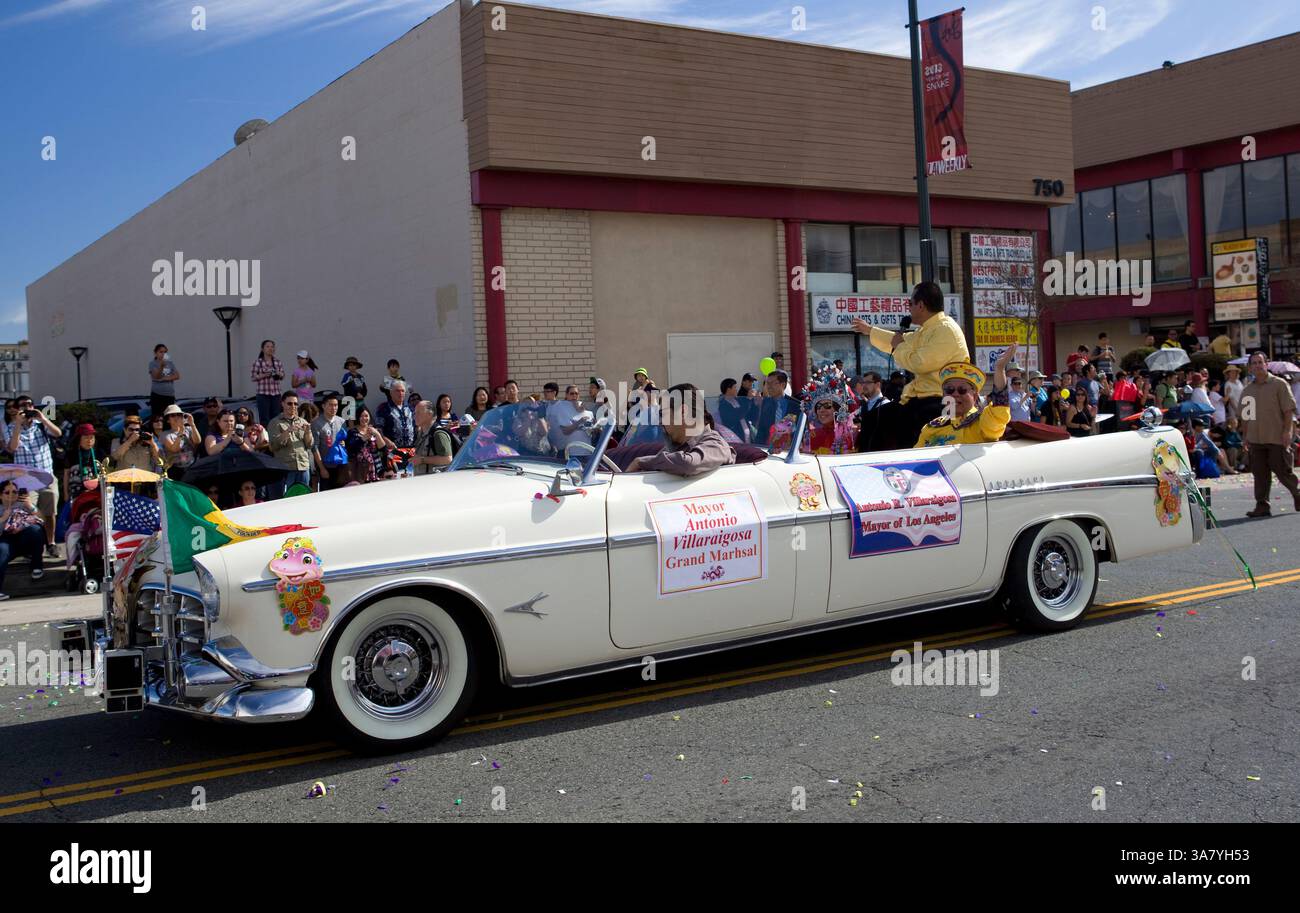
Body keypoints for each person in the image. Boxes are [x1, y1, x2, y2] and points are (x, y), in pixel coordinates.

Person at [851, 281, 969, 451]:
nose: (909, 308)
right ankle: (867, 464)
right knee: (875, 417)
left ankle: (903, 469)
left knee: (906, 430)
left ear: (921, 305)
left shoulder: (946, 330)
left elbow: (919, 362)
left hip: (943, 401)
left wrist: (899, 346)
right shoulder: (927, 330)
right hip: (921, 399)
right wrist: (870, 330)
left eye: (910, 304)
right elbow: (899, 341)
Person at [915, 345, 1014, 448]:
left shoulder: (982, 423)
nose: (955, 394)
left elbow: (999, 411)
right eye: (950, 390)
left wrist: (999, 369)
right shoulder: (931, 428)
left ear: (975, 396)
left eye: (962, 390)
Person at [1240, 351, 1300, 518]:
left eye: (1260, 362)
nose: (1257, 365)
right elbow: (1246, 417)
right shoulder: (1248, 390)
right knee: (1259, 474)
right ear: (1250, 367)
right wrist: (1245, 437)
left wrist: (1287, 432)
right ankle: (1262, 505)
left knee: (1283, 470)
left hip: (1277, 437)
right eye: (1254, 363)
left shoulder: (1279, 384)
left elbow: (1288, 410)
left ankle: (1297, 494)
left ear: (1267, 364)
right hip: (1256, 439)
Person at [629, 384, 736, 476]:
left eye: (663, 414)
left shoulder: (716, 445)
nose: (660, 422)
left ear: (683, 411)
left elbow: (689, 464)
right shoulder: (676, 447)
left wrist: (640, 462)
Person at [6, 395, 62, 557]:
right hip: (26, 479)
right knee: (28, 513)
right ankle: (32, 548)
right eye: (24, 405)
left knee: (50, 512)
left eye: (30, 404)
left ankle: (50, 543)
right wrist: (18, 423)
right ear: (17, 409)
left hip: (47, 476)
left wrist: (43, 418)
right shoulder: (11, 427)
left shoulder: (41, 425)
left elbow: (57, 433)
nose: (28, 407)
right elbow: (13, 447)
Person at [0, 480, 46, 598]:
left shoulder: (23, 505)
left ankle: (37, 566)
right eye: (7, 492)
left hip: (24, 539)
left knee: (36, 530)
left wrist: (30, 505)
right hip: (6, 541)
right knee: (2, 549)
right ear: (0, 495)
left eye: (15, 492)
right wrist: (3, 518)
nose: (12, 495)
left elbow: (42, 520)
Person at [267, 392, 315, 493]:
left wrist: (308, 432)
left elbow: (310, 445)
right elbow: (273, 446)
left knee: (303, 497)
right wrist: (288, 431)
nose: (293, 406)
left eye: (295, 404)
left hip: (303, 465)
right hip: (286, 468)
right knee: (287, 498)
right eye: (289, 403)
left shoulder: (303, 421)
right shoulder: (275, 422)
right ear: (282, 404)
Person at [312, 393, 350, 490]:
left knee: (341, 494)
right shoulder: (316, 423)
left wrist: (343, 444)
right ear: (323, 406)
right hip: (325, 466)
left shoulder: (342, 422)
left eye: (336, 405)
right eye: (330, 405)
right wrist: (322, 468)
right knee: (326, 496)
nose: (333, 408)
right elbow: (314, 447)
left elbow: (345, 441)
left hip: (340, 466)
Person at [347, 406, 391, 484]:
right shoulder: (352, 432)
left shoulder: (375, 430)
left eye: (366, 416)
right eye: (361, 416)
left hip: (377, 469)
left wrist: (377, 434)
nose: (364, 418)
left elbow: (383, 450)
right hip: (361, 470)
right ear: (357, 417)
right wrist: (364, 437)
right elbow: (351, 448)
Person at [753, 370, 795, 446]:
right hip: (768, 449)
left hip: (788, 449)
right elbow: (761, 430)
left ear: (783, 385)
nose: (769, 387)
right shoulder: (765, 403)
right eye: (767, 383)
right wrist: (757, 447)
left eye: (772, 383)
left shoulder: (795, 405)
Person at [412, 401, 454, 475]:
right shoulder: (422, 433)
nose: (415, 416)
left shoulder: (438, 434)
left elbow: (447, 460)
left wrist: (422, 460)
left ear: (429, 414)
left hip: (433, 483)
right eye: (415, 413)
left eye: (419, 412)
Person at [161, 404, 201, 480]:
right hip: (175, 469)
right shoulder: (165, 434)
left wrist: (192, 424)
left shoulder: (189, 429)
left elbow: (197, 441)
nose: (176, 417)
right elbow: (174, 449)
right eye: (172, 415)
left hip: (191, 467)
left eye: (179, 415)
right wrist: (181, 431)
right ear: (168, 420)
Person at [250, 339, 285, 425]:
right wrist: (264, 375)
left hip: (276, 394)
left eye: (272, 347)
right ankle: (265, 437)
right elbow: (253, 377)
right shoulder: (258, 362)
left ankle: (275, 436)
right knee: (264, 418)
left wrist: (278, 373)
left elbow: (283, 375)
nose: (270, 348)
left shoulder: (277, 362)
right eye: (268, 346)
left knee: (276, 417)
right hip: (263, 394)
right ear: (262, 349)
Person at [64, 424, 102, 501]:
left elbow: (105, 474)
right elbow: (66, 475)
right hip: (76, 494)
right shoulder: (71, 454)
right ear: (79, 439)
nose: (89, 440)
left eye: (92, 437)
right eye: (86, 437)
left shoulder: (99, 453)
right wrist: (66, 494)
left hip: (96, 494)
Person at [547, 385, 592, 451]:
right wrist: (579, 422)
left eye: (576, 393)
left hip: (587, 450)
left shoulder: (586, 410)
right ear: (566, 395)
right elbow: (565, 431)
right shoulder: (561, 408)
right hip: (569, 451)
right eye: (572, 393)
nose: (574, 396)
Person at [377, 380, 416, 449]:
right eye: (397, 391)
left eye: (402, 391)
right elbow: (378, 429)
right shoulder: (384, 408)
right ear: (391, 392)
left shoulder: (410, 408)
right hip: (392, 450)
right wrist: (387, 441)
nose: (400, 393)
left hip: (411, 449)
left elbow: (417, 426)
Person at [148, 343, 180, 420]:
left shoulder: (170, 363)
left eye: (165, 352)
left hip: (169, 395)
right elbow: (156, 376)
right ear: (155, 353)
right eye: (161, 352)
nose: (163, 354)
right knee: (157, 417)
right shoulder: (152, 364)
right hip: (157, 395)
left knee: (169, 417)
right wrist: (161, 366)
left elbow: (177, 376)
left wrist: (165, 378)